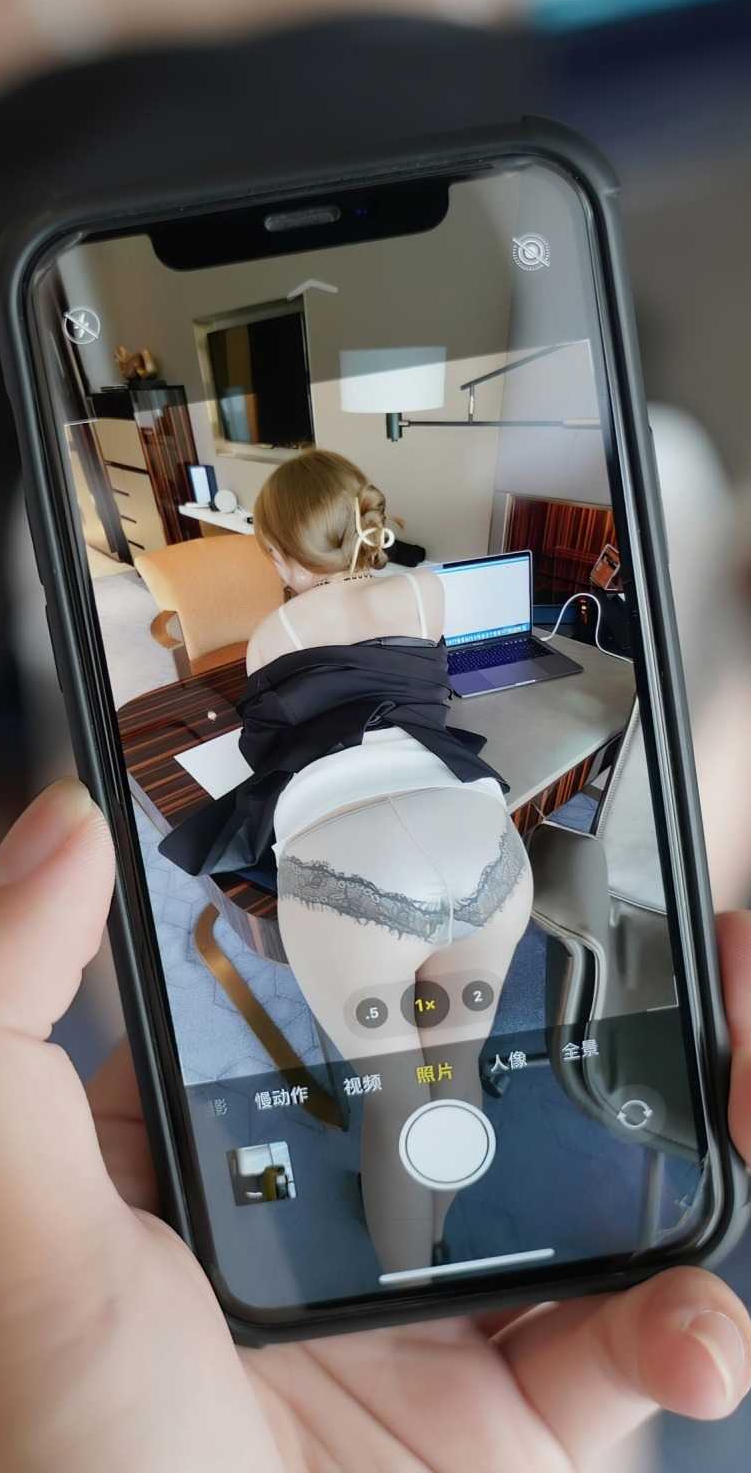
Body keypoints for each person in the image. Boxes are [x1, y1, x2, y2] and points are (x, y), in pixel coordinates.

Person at [0, 776, 751, 1473]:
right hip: (451, 862)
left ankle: (409, 1210)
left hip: (363, 879)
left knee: (408, 1084)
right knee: (454, 1062)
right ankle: (420, 1202)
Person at [162, 449, 532, 1272]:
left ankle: (410, 1267)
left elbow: (270, 752)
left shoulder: (276, 634)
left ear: (275, 552)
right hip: (479, 846)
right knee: (454, 1066)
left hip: (354, 880)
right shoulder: (429, 589)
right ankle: (436, 1224)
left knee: (396, 1099)